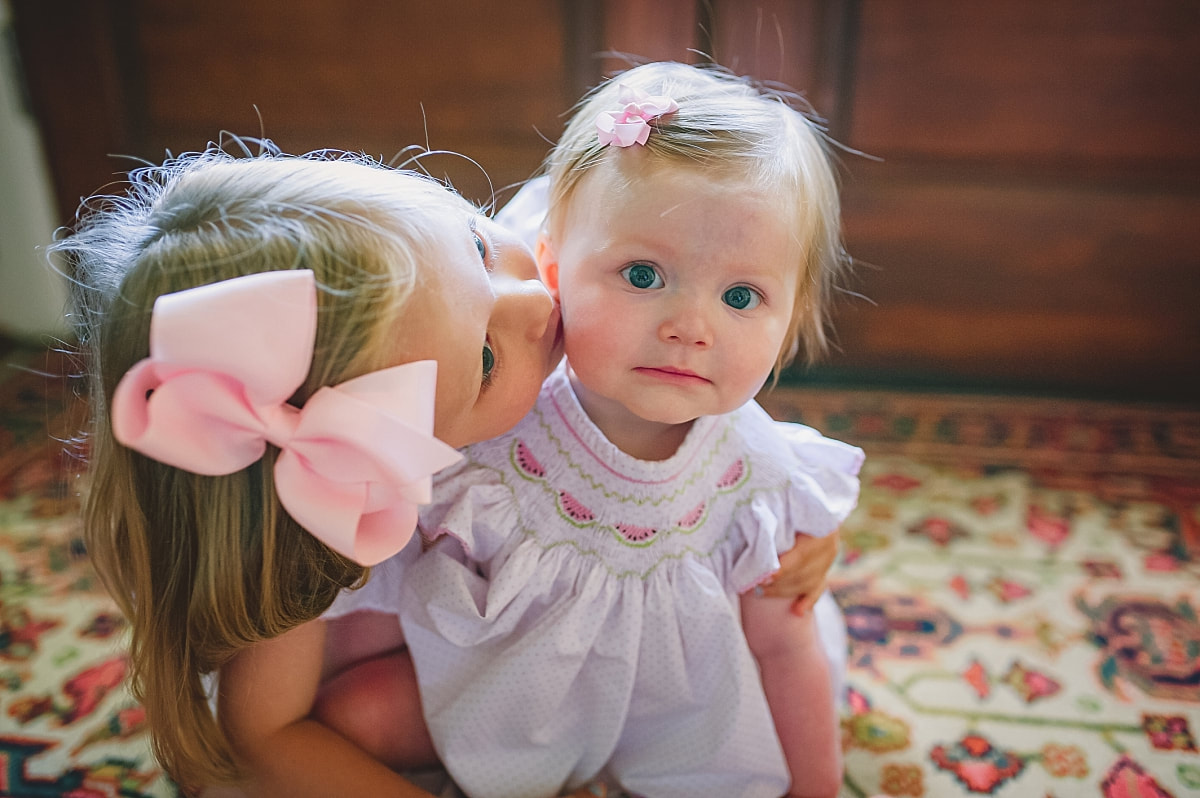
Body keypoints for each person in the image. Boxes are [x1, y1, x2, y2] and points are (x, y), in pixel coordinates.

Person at [318, 61, 863, 798]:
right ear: (553, 271)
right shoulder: (495, 421)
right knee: (351, 716)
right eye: (642, 276)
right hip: (506, 696)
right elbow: (390, 578)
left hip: (675, 717)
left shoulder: (757, 477)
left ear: (791, 318)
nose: (688, 328)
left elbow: (784, 648)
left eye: (741, 296)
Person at [54, 141, 566, 797]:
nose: (536, 299)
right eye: (487, 362)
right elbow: (264, 737)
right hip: (351, 732)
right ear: (352, 447)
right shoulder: (317, 514)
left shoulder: (517, 274)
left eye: (478, 245)